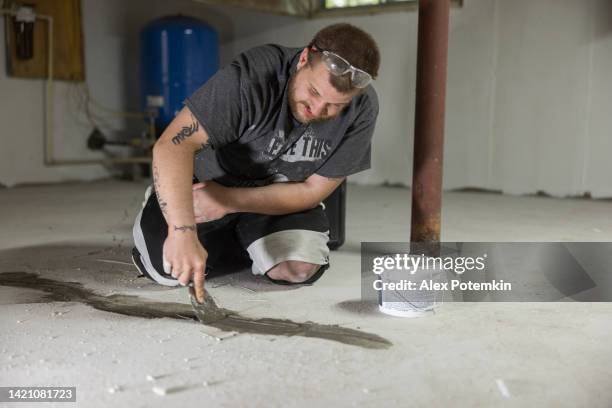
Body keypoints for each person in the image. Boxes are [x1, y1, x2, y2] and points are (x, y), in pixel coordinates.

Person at [132, 23, 380, 303]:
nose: (318, 109)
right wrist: (182, 230)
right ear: (302, 60)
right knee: (170, 270)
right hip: (205, 186)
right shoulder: (254, 75)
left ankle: (242, 236)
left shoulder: (364, 108)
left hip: (274, 193)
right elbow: (172, 145)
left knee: (296, 269)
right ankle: (176, 209)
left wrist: (228, 201)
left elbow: (314, 191)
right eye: (313, 91)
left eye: (336, 105)